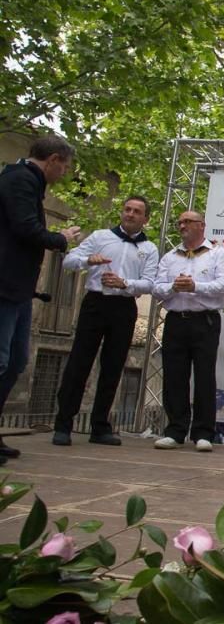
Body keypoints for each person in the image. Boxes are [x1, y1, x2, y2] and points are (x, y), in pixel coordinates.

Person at [52, 195, 159, 447]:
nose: (130, 214)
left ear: (146, 218)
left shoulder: (149, 249)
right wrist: (89, 260)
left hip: (124, 307)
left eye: (136, 211)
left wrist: (126, 283)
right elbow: (68, 259)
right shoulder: (101, 237)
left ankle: (100, 426)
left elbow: (151, 283)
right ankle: (64, 424)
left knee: (113, 367)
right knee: (79, 362)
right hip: (95, 303)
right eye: (127, 209)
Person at [0, 135, 81, 463]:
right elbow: (25, 228)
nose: (65, 173)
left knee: (16, 360)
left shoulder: (27, 181)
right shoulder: (19, 180)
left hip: (18, 290)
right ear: (54, 160)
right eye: (66, 166)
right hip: (4, 286)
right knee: (2, 360)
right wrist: (59, 238)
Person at [152, 211, 224, 452]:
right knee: (174, 375)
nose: (181, 226)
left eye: (187, 222)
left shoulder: (217, 254)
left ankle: (203, 432)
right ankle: (175, 430)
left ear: (201, 226)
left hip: (205, 321)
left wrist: (195, 286)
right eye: (179, 222)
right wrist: (173, 286)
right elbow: (156, 289)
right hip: (176, 320)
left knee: (204, 375)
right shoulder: (170, 256)